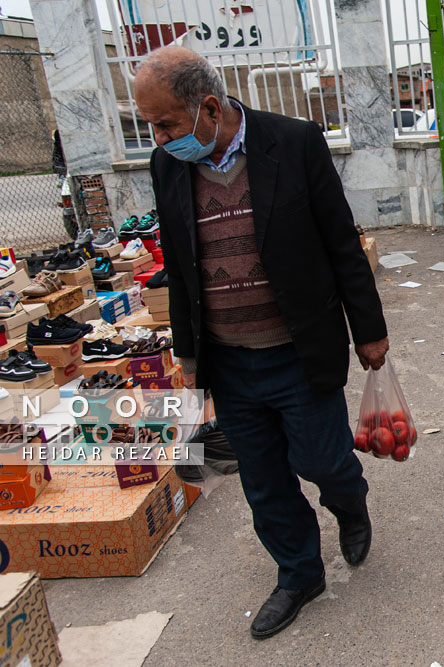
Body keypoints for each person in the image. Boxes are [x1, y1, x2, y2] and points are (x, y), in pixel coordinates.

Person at [135, 46, 390, 639]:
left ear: (208, 107)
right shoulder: (167, 164)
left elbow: (340, 243)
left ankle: (349, 503)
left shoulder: (293, 142)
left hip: (298, 350)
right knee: (264, 481)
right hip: (230, 362)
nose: (160, 136)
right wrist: (191, 359)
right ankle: (299, 573)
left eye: (166, 123)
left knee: (323, 460)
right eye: (152, 126)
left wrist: (370, 330)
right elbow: (179, 263)